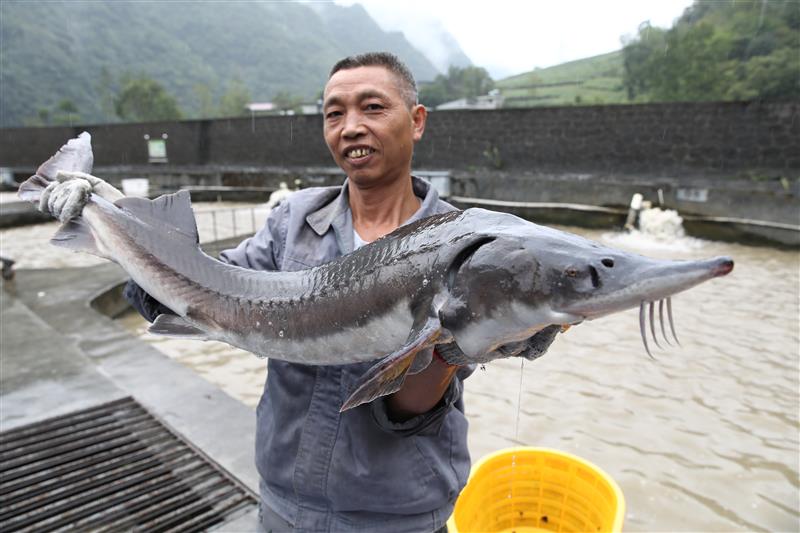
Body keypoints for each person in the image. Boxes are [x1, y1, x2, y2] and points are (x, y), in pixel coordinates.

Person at [43, 52, 471, 532]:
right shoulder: (293, 221)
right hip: (284, 499)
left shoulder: (458, 245)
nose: (350, 127)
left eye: (372, 107)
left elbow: (411, 407)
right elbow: (197, 293)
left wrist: (475, 334)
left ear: (416, 121)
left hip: (397, 513)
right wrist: (113, 216)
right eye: (334, 113)